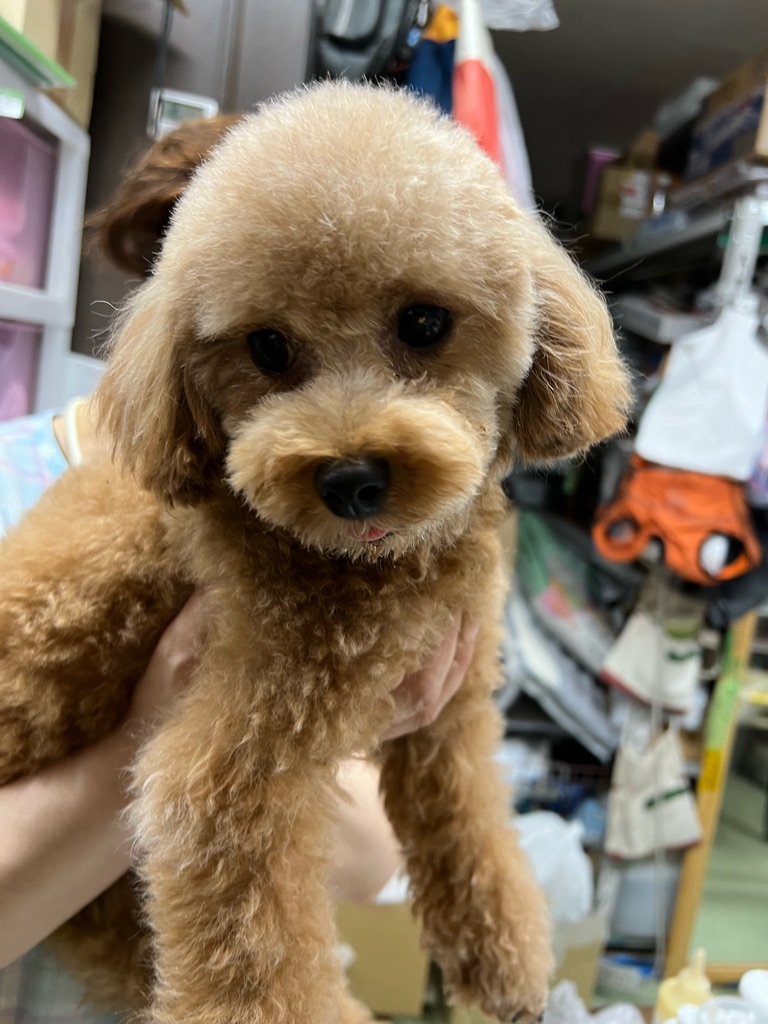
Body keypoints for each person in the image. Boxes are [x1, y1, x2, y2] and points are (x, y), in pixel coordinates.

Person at [0, 119, 477, 1021]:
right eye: (273, 347)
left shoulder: (336, 516)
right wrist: (159, 736)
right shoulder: (20, 486)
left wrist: (320, 728)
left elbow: (373, 863)